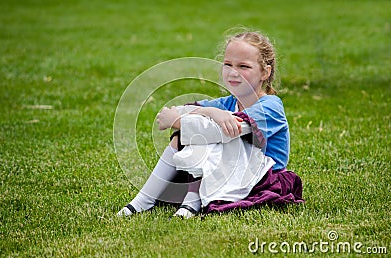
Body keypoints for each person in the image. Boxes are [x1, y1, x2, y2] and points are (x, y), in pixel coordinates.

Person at [117, 30, 304, 218]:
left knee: (207, 132)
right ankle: (143, 199)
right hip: (230, 171)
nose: (233, 72)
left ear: (265, 72)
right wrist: (210, 112)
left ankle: (192, 203)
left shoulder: (270, 107)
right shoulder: (228, 103)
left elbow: (223, 131)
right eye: (228, 64)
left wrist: (185, 119)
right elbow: (183, 110)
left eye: (243, 66)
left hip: (261, 177)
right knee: (189, 131)